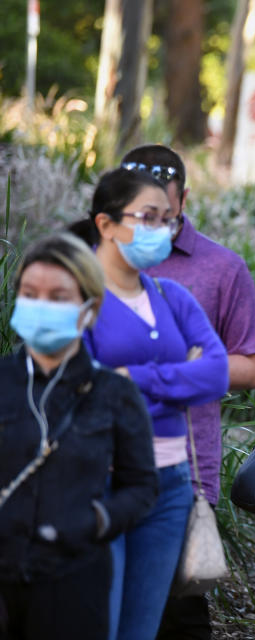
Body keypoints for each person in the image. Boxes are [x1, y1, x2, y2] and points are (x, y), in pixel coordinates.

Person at [118, 144, 255, 640]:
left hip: (182, 469)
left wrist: (162, 372)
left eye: (160, 204)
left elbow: (251, 368)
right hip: (95, 463)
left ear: (183, 199)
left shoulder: (219, 268)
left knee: (176, 614)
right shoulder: (86, 262)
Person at [75, 168, 229, 640]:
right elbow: (84, 388)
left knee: (142, 629)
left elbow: (217, 373)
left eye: (166, 219)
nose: (160, 230)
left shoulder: (172, 296)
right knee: (99, 624)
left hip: (170, 486)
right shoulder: (77, 299)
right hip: (101, 480)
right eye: (147, 218)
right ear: (105, 224)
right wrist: (182, 372)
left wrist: (135, 378)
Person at [0, 233, 158, 640]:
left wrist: (97, 520)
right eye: (31, 294)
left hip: (73, 580)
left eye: (58, 297)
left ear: (88, 309)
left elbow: (141, 486)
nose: (41, 306)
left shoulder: (114, 393)